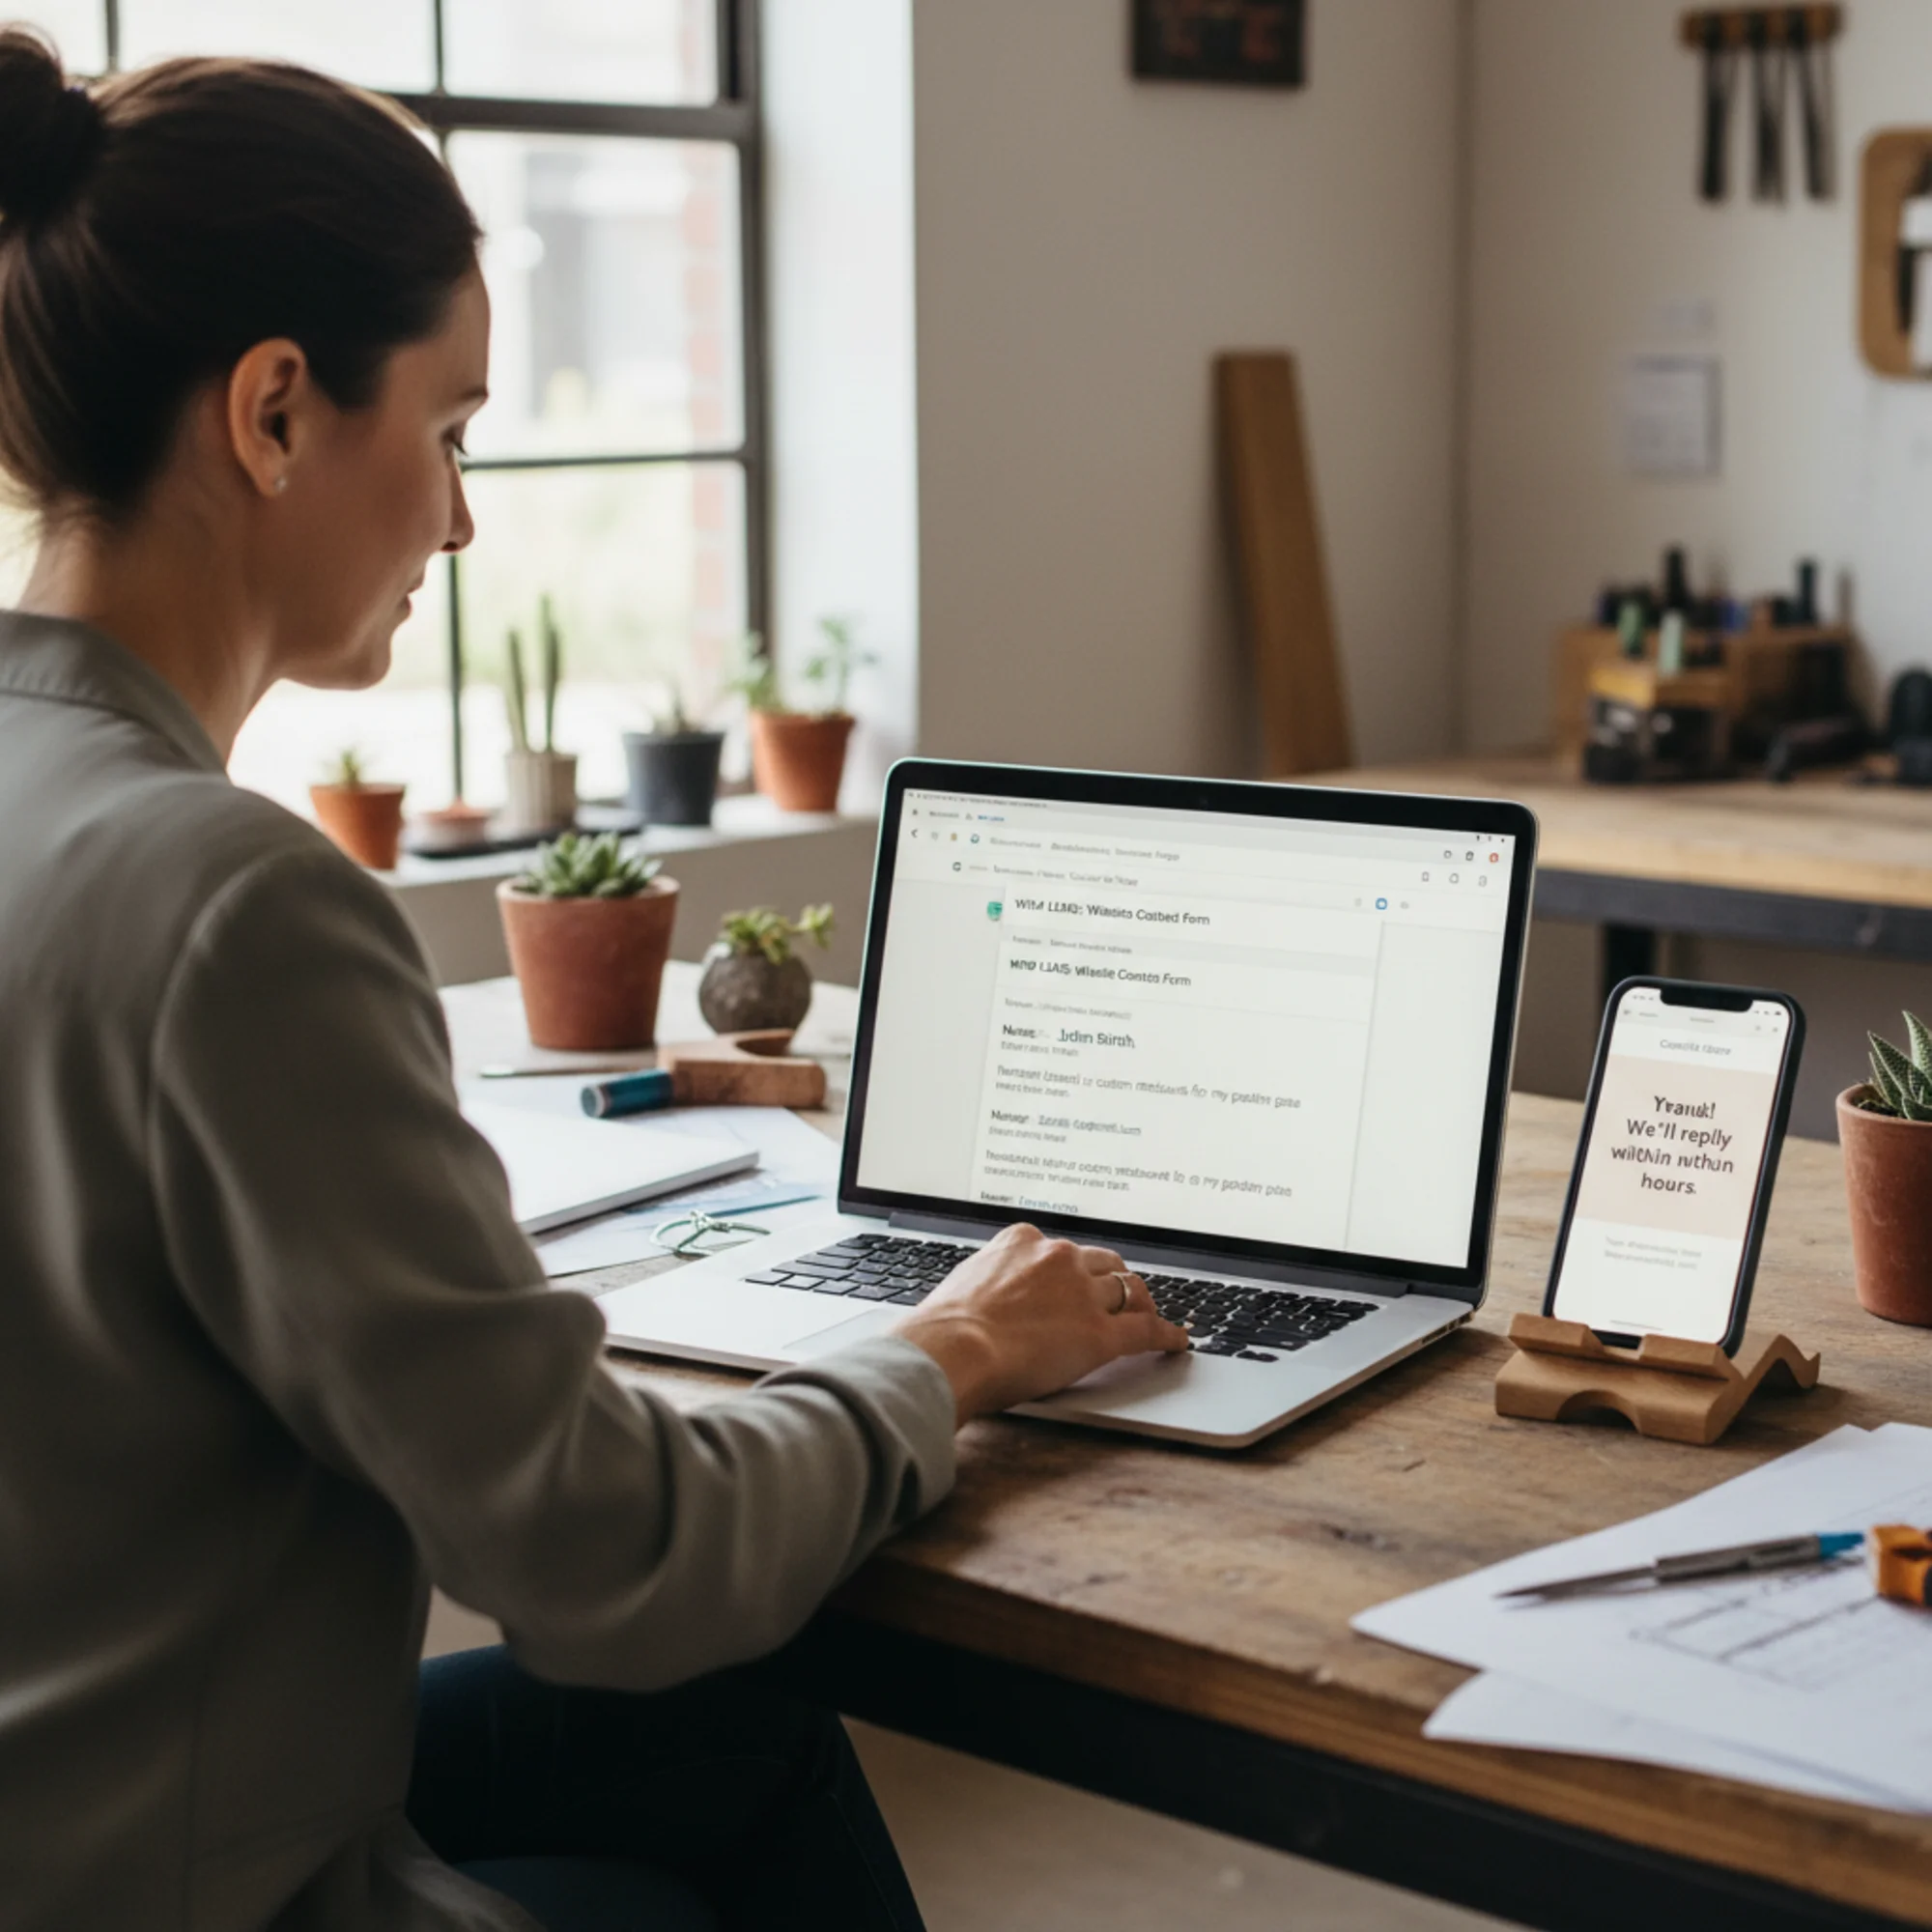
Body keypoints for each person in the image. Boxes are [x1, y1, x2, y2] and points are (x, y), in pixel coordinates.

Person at [0, 31, 1188, 1932]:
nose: (461, 523)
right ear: (277, 413)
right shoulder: (236, 907)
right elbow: (607, 1556)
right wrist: (959, 1342)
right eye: (451, 431)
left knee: (740, 1729)